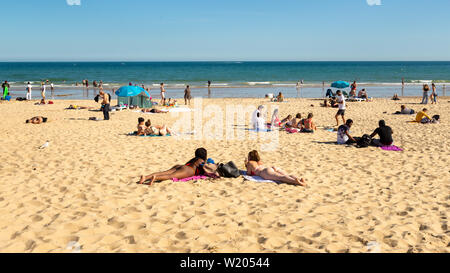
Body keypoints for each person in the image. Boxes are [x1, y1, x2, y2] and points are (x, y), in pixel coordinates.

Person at [138, 148, 207, 186]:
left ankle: (145, 177)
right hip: (189, 170)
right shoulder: (201, 161)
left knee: (164, 172)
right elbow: (206, 170)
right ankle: (155, 177)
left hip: (180, 166)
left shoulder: (194, 159)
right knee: (170, 176)